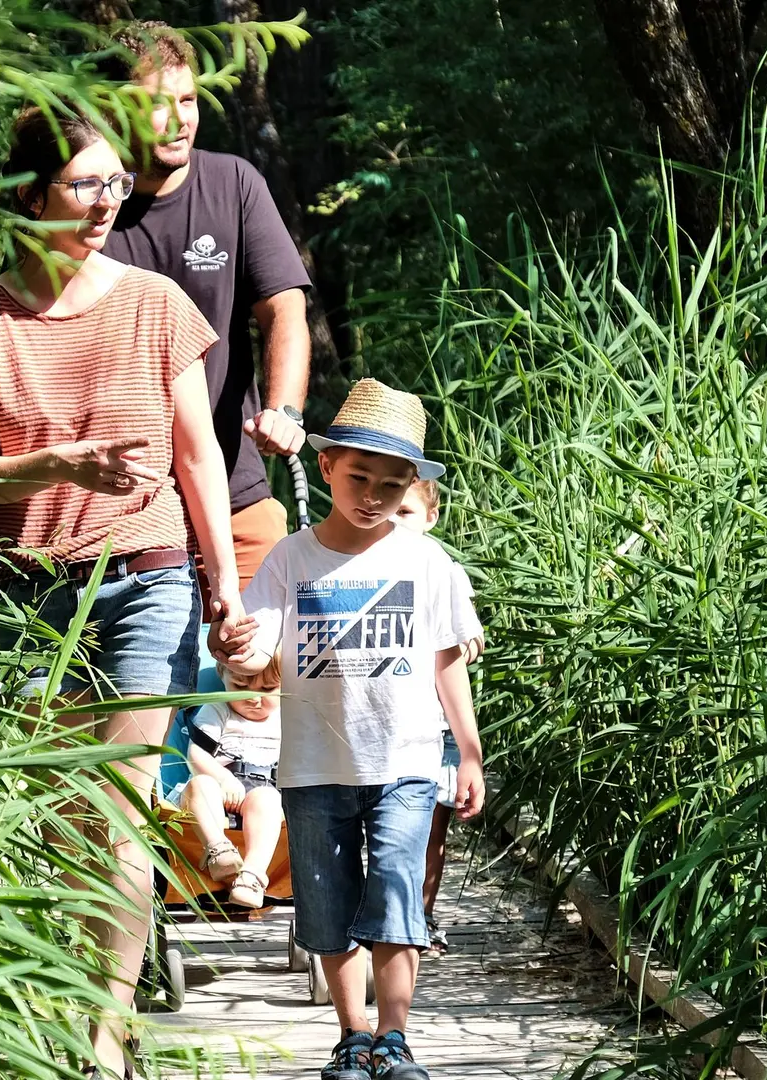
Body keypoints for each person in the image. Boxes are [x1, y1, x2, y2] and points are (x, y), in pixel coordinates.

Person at [0, 106, 247, 1080]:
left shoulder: (156, 303)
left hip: (146, 580)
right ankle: (70, 1000)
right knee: (60, 819)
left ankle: (103, 1045)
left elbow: (198, 457)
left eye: (116, 183)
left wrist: (226, 590)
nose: (108, 202)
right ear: (31, 197)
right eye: (86, 185)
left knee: (116, 812)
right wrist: (61, 464)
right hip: (24, 593)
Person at [210, 379, 486, 1080]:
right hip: (312, 766)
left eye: (393, 485)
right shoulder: (290, 559)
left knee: (396, 897)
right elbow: (257, 650)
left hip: (406, 762)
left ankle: (395, 1037)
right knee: (327, 907)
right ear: (327, 466)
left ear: (413, 487)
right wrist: (232, 647)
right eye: (359, 477)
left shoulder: (426, 562)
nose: (373, 496)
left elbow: (447, 661)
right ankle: (353, 1035)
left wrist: (470, 752)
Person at [99, 22, 314, 601]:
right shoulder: (88, 204)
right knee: (139, 666)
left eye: (189, 100)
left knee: (260, 660)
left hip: (235, 492)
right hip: (123, 510)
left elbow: (284, 309)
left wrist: (284, 411)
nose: (179, 120)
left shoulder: (234, 183)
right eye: (157, 105)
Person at [393, 480, 487, 956]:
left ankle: (421, 915)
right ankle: (379, 912)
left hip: (436, 723)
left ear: (431, 517)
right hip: (385, 723)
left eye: (405, 512)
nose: (394, 521)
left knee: (432, 827)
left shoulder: (442, 569)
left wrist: (459, 645)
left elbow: (470, 635)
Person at [178, 660, 284, 909]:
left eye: (267, 689)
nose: (254, 699)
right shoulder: (217, 709)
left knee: (268, 799)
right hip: (218, 785)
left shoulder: (286, 716)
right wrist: (223, 779)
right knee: (200, 785)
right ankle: (219, 851)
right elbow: (197, 754)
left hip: (263, 790)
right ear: (222, 675)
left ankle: (251, 876)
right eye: (240, 686)